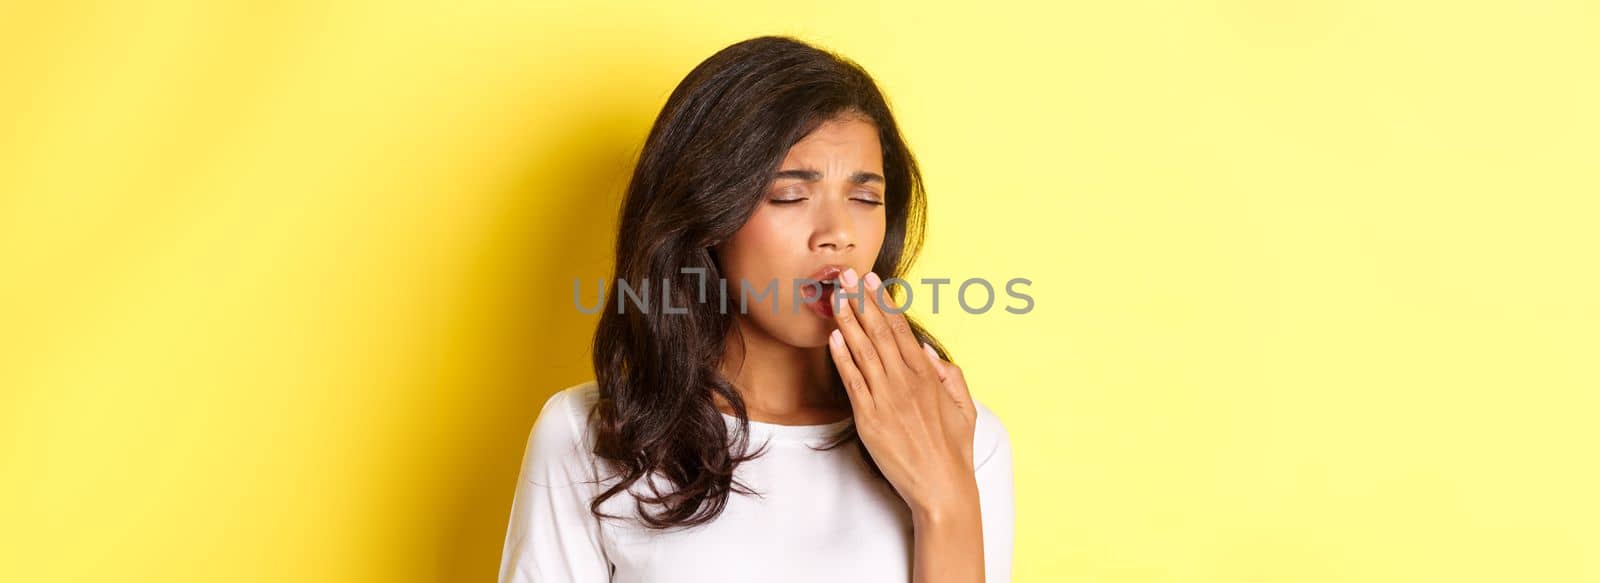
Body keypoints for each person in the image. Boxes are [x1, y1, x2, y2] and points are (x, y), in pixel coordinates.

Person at [499, 35, 1014, 583]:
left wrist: (947, 504)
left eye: (865, 199)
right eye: (790, 196)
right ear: (707, 215)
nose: (838, 235)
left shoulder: (965, 438)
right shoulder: (589, 435)